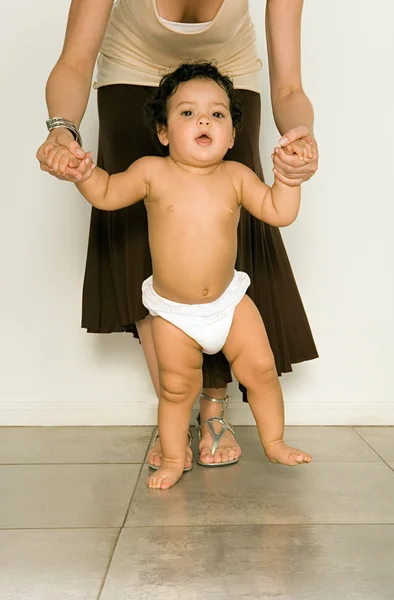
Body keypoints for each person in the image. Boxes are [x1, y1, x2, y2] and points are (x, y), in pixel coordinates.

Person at [36, 0, 319, 471]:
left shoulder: (234, 170)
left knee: (239, 251)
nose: (204, 126)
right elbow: (75, 62)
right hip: (131, 70)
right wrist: (69, 144)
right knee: (136, 244)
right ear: (163, 132)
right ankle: (174, 437)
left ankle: (220, 415)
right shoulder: (149, 166)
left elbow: (289, 89)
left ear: (231, 133)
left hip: (227, 80)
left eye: (217, 123)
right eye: (186, 119)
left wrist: (299, 151)